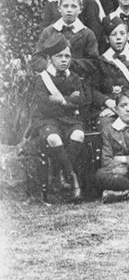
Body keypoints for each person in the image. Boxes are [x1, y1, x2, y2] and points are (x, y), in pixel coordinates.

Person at [30, 37, 88, 201]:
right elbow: (44, 107)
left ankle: (59, 172)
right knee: (54, 139)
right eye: (59, 56)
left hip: (71, 120)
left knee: (79, 135)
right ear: (50, 59)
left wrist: (61, 101)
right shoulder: (42, 79)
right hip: (47, 120)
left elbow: (82, 100)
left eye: (67, 56)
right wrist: (71, 100)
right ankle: (73, 180)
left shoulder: (74, 77)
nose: (63, 60)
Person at [94, 16, 129, 128]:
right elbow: (94, 90)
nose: (118, 38)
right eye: (113, 34)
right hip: (107, 108)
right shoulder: (100, 61)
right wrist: (106, 101)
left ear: (128, 36)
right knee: (106, 125)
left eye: (122, 34)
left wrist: (120, 109)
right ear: (107, 39)